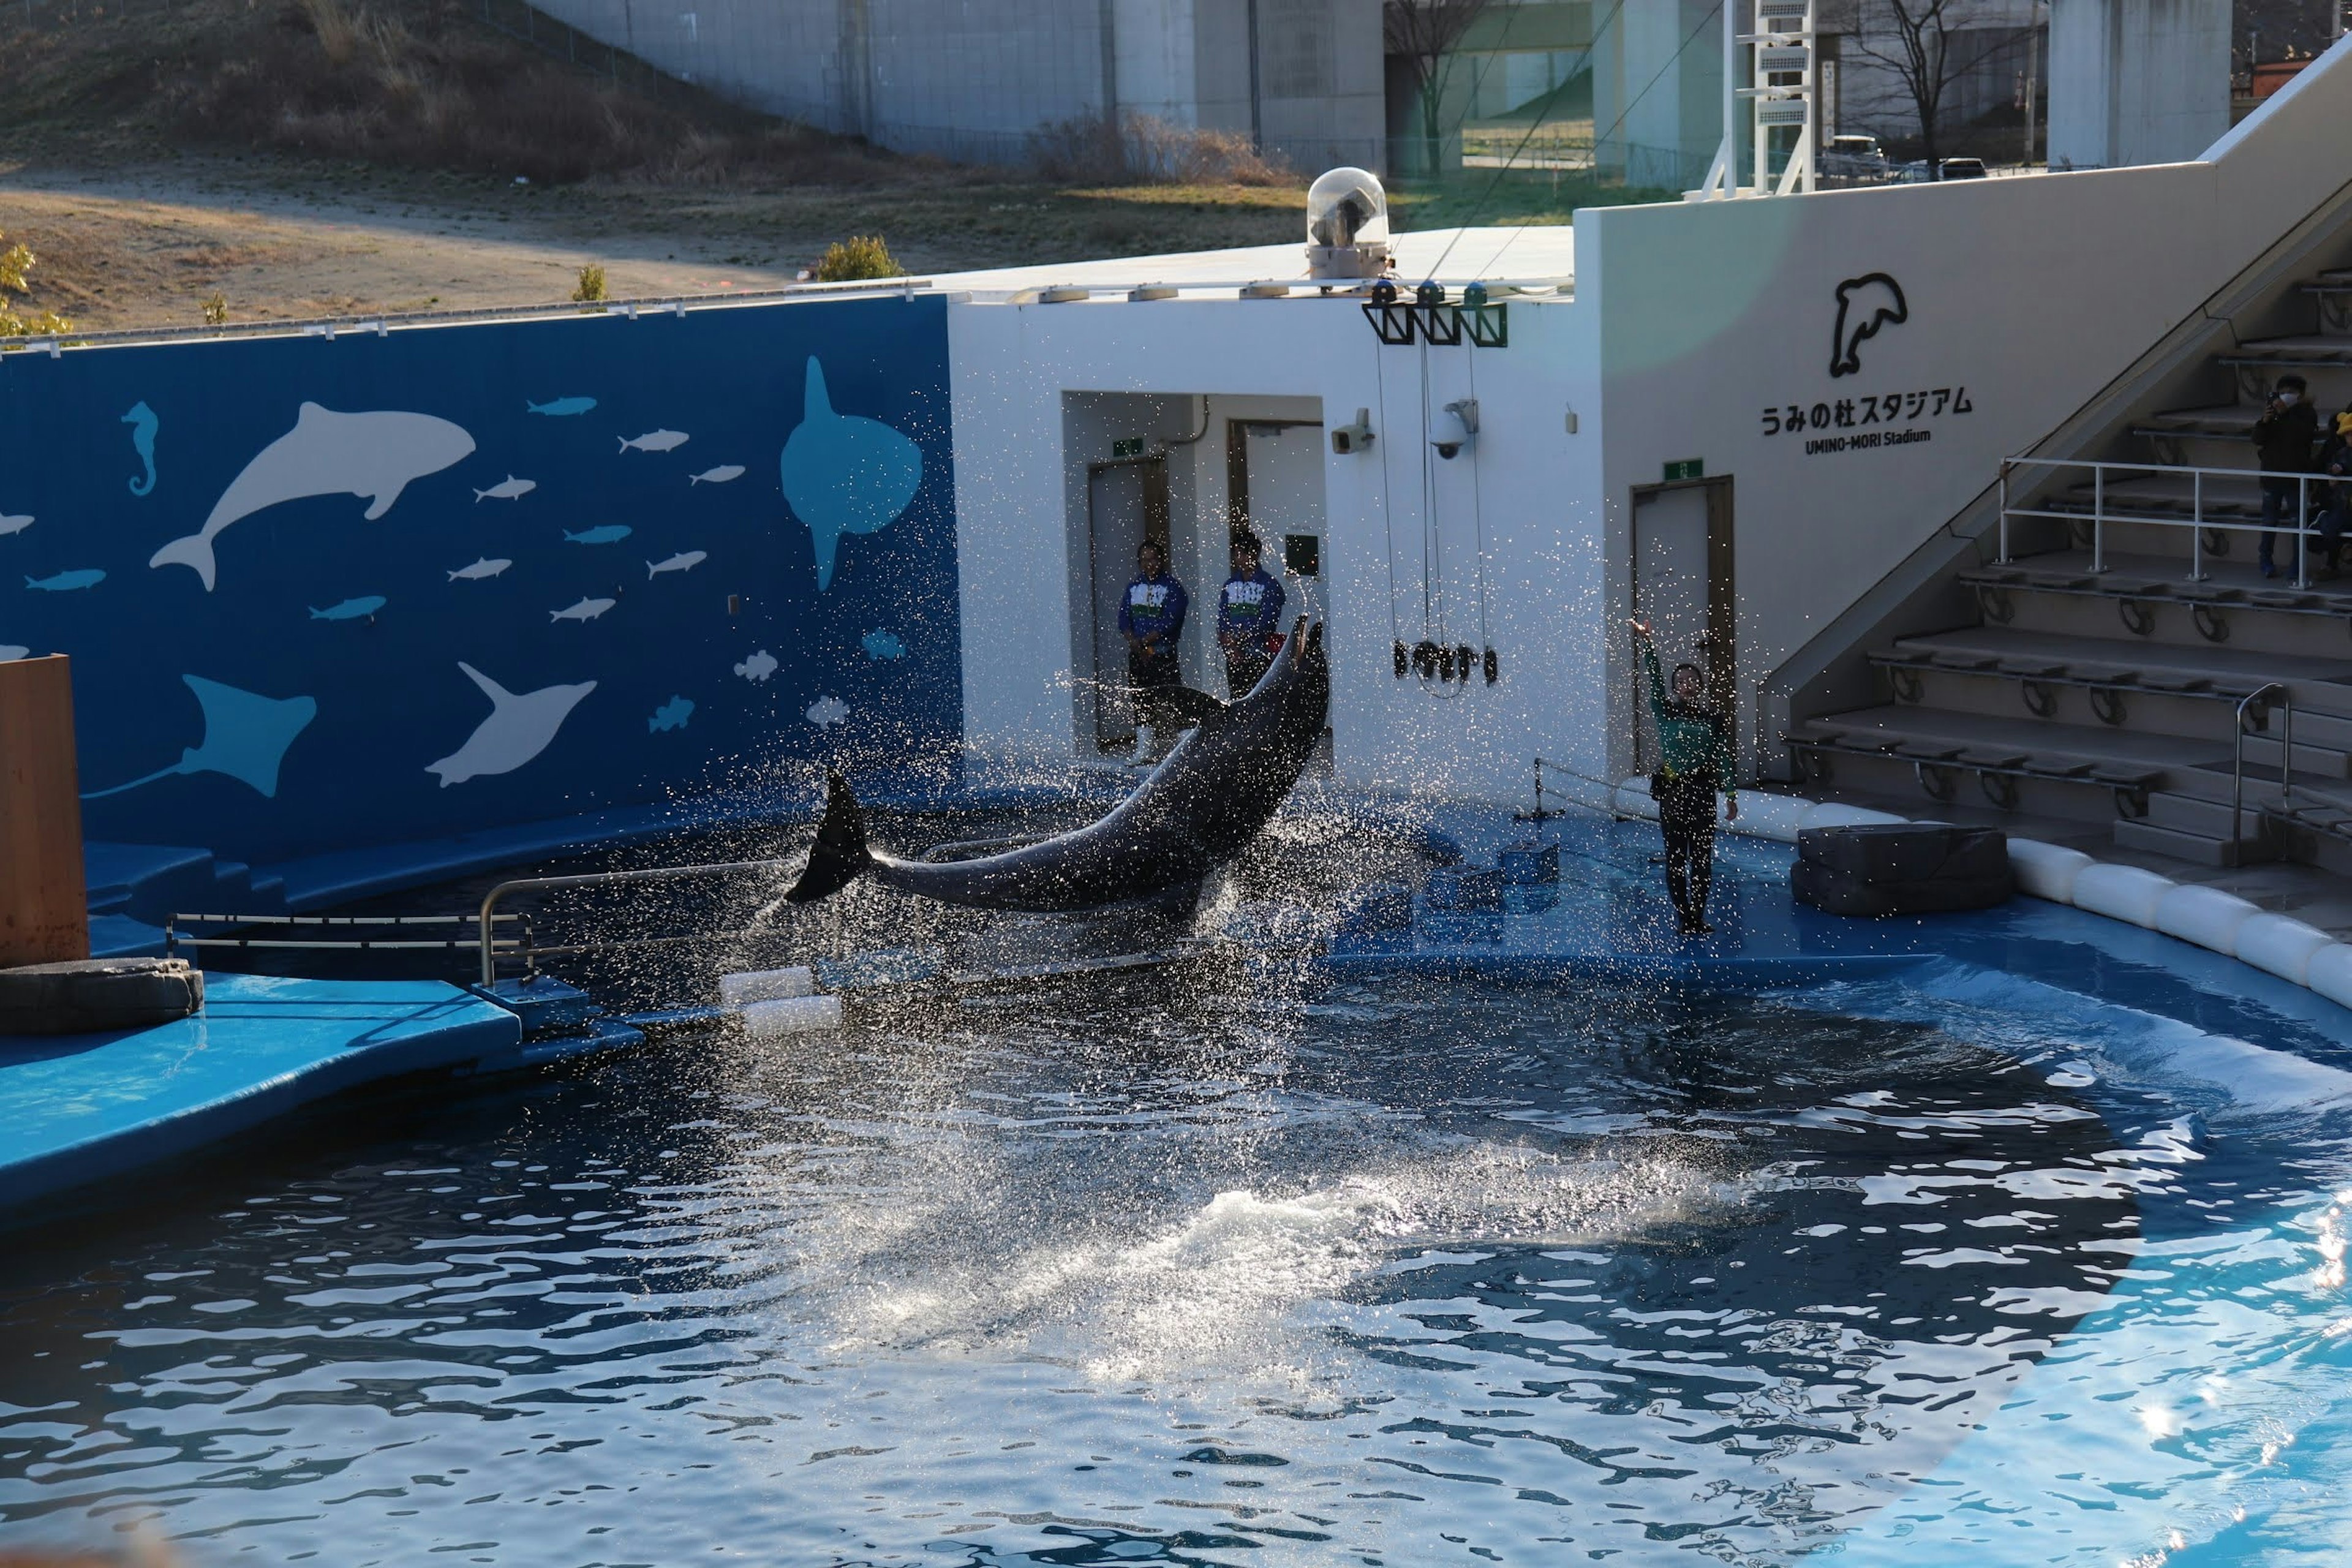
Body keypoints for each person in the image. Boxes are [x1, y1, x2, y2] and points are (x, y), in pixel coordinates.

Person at [1630, 620, 1738, 936]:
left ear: (1700, 686)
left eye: (1693, 679)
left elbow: (1723, 758)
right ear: (1675, 687)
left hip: (1703, 793)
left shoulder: (1713, 718)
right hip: (1674, 796)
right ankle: (1683, 917)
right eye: (1681, 680)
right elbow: (1653, 678)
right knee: (1676, 858)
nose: (1687, 684)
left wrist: (1731, 795)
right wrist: (1648, 642)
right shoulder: (1665, 711)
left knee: (1702, 861)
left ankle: (1698, 917)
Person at [1117, 538, 1188, 765]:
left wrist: (1147, 640)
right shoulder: (1133, 586)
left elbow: (1171, 620)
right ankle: (1144, 750)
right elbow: (1123, 618)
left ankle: (1185, 748)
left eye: (1154, 559)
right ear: (1139, 562)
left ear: (1162, 560)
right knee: (1141, 699)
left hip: (1162, 652)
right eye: (1145, 560)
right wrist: (1133, 640)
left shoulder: (1173, 587)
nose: (1150, 564)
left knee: (1173, 697)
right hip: (1139, 654)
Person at [2252, 373, 2319, 578]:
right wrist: (2265, 421)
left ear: (2301, 395)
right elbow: (2257, 439)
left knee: (2297, 524)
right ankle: (2265, 561)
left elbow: (2302, 436)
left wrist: (2286, 414)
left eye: (2291, 392)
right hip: (2272, 477)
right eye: (2283, 392)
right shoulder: (2273, 413)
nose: (2286, 396)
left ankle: (2297, 566)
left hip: (2295, 479)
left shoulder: (2307, 413)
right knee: (2269, 521)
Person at [1216, 532, 1288, 698]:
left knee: (1257, 700)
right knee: (1236, 700)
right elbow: (1223, 619)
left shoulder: (1269, 585)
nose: (1237, 558)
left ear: (1253, 554)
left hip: (1258, 653)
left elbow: (1267, 623)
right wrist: (1231, 647)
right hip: (1233, 655)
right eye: (1235, 554)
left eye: (1241, 553)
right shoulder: (1231, 584)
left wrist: (1242, 638)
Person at [2312, 403, 2352, 580]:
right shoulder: (2340, 447)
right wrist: (2333, 472)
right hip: (2342, 500)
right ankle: (2332, 564)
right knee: (2331, 527)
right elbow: (2328, 463)